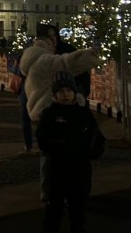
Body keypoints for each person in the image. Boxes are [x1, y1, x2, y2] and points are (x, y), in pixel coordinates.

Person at [37, 71, 105, 233]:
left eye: (68, 91)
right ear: (55, 94)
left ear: (74, 92)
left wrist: (91, 151)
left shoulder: (83, 113)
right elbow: (43, 139)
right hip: (57, 169)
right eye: (61, 91)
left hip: (79, 168)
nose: (65, 95)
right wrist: (60, 146)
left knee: (78, 210)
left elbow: (96, 136)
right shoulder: (49, 114)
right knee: (54, 210)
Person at [21, 23, 99, 122]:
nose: (53, 43)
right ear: (45, 44)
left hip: (37, 108)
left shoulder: (31, 60)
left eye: (54, 35)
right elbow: (66, 63)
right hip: (48, 106)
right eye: (50, 40)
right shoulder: (44, 60)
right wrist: (89, 56)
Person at [51, 26, 91, 99]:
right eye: (49, 36)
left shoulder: (66, 49)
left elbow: (82, 69)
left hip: (75, 87)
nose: (52, 38)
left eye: (54, 35)